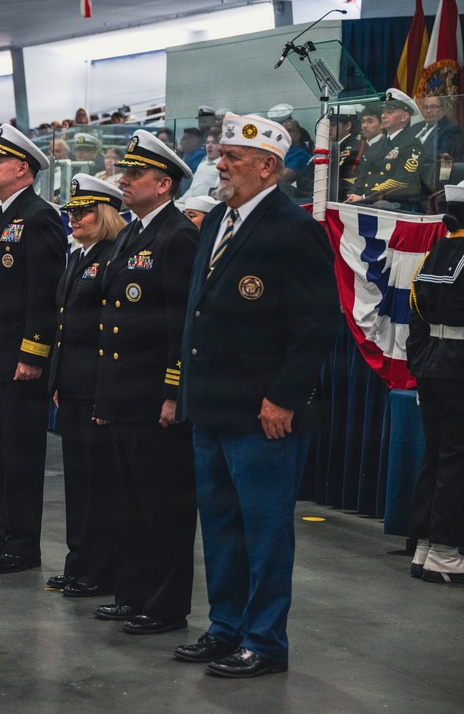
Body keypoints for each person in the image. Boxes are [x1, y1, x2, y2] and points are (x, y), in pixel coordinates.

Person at [173, 113, 340, 677]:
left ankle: (265, 641)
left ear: (268, 167)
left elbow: (317, 324)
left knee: (264, 534)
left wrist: (284, 398)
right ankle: (226, 627)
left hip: (263, 413)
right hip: (212, 407)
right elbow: (198, 314)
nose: (219, 165)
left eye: (232, 158)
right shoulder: (218, 220)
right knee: (220, 526)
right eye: (221, 156)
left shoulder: (294, 229)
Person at [88, 131, 199, 631]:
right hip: (123, 392)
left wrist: (173, 392)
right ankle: (133, 593)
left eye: (135, 174)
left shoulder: (177, 236)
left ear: (164, 183)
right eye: (125, 173)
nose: (124, 181)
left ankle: (166, 604)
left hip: (154, 396)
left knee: (163, 506)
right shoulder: (132, 234)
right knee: (127, 502)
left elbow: (180, 326)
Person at [0, 124, 67, 574]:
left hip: (17, 359)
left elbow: (44, 294)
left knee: (19, 456)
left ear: (22, 168)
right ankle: (2, 536)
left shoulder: (39, 216)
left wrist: (32, 354)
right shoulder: (1, 214)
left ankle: (23, 545)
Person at [45, 174, 123, 595]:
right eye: (72, 211)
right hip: (73, 384)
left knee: (99, 484)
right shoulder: (80, 255)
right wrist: (58, 379)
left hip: (96, 386)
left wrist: (102, 391)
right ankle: (78, 562)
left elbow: (108, 332)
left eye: (83, 211)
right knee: (77, 481)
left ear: (105, 214)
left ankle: (100, 569)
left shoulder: (113, 257)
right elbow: (63, 325)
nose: (74, 218)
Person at [405, 180, 464, 584]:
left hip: (431, 363)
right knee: (456, 458)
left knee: (437, 453)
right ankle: (445, 551)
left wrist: (419, 364)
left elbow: (415, 314)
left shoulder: (432, 255)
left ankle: (424, 546)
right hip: (458, 365)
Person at [348, 89, 423, 206]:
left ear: (404, 117)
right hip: (368, 200)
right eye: (383, 111)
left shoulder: (411, 144)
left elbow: (401, 182)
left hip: (395, 203)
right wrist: (352, 195)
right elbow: (362, 175)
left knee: (381, 205)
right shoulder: (377, 145)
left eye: (390, 112)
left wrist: (365, 197)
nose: (383, 116)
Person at [178, 130, 220, 203]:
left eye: (213, 142)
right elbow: (191, 190)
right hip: (187, 203)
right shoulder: (202, 165)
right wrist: (178, 202)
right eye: (207, 142)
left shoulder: (221, 167)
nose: (209, 145)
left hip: (204, 206)